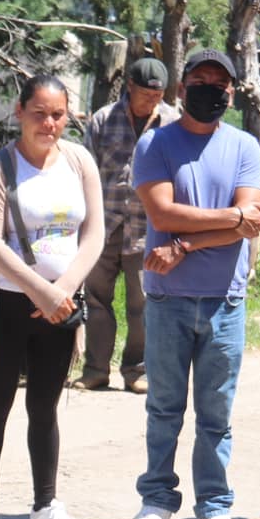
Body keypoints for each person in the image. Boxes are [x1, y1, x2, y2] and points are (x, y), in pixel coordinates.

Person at [124, 48, 260, 519]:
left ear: (232, 91)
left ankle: (214, 507)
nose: (212, 89)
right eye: (201, 80)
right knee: (164, 406)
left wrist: (186, 243)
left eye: (221, 83)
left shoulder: (246, 145)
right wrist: (232, 219)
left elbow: (252, 219)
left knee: (216, 413)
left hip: (226, 300)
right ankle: (157, 499)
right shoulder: (156, 144)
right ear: (182, 89)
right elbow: (163, 213)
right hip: (168, 299)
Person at [0, 72, 105, 519]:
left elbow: (94, 234)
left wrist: (62, 289)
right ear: (20, 111)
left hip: (62, 306)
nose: (49, 124)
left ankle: (45, 505)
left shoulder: (80, 161)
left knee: (45, 405)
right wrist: (40, 292)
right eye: (39, 113)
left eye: (58, 114)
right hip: (9, 301)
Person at [77, 55, 179, 394]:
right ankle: (95, 370)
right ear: (129, 88)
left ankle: (136, 371)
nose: (153, 100)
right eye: (147, 93)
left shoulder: (172, 123)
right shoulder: (103, 120)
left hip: (146, 229)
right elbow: (84, 171)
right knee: (96, 301)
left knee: (143, 304)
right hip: (103, 226)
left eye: (158, 94)